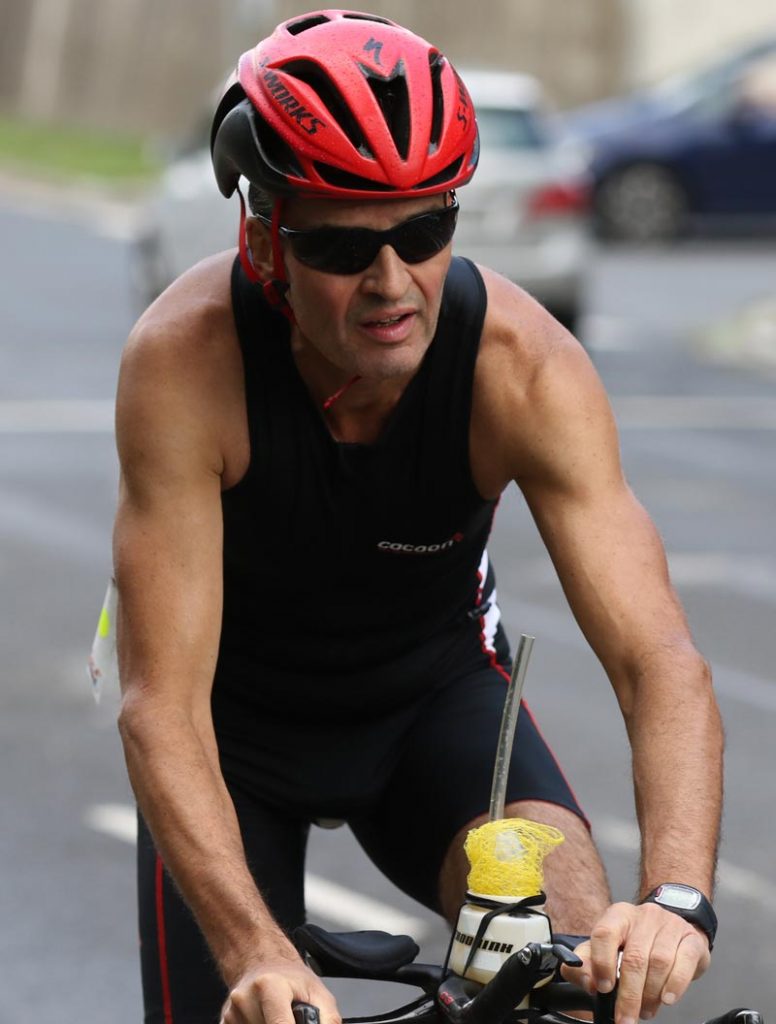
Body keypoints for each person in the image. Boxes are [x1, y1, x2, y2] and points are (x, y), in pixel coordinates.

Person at [113, 10, 723, 1024]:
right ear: (263, 239)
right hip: (227, 729)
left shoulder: (520, 367)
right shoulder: (186, 364)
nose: (391, 284)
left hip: (431, 705)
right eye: (341, 247)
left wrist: (675, 897)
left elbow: (656, 658)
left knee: (573, 983)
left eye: (424, 233)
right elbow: (159, 705)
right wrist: (258, 954)